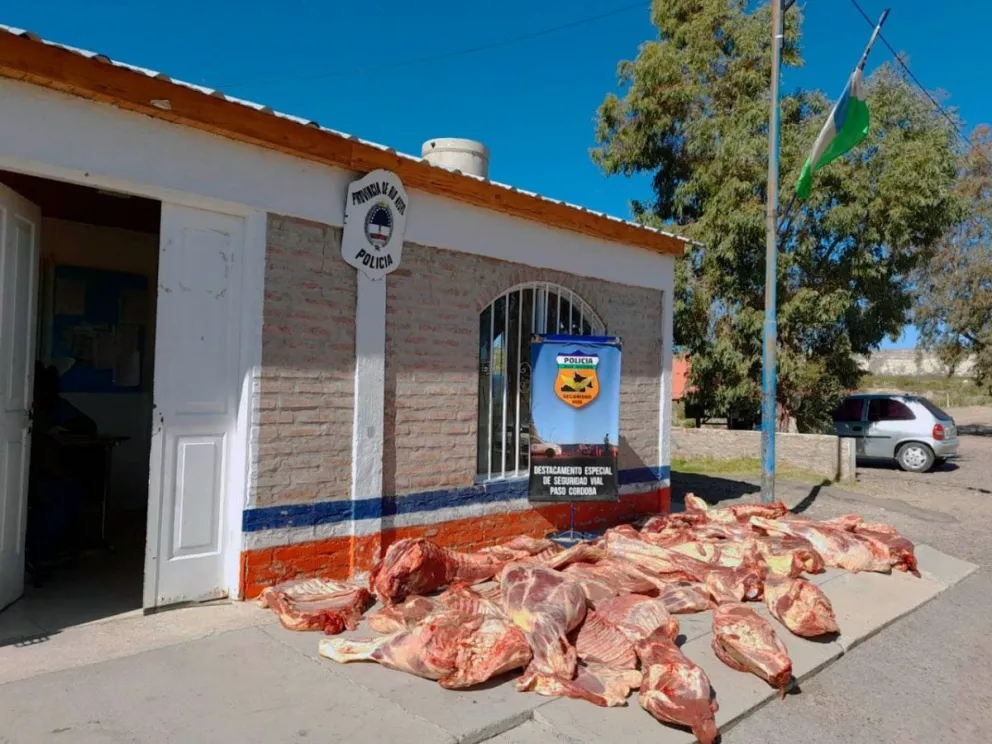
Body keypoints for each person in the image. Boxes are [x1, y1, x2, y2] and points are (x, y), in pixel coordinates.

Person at [26, 363, 97, 577]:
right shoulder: (26, 410)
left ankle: (50, 550)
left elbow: (88, 425)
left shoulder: (56, 407)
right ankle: (37, 551)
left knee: (71, 493)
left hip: (47, 476)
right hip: (32, 478)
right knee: (62, 496)